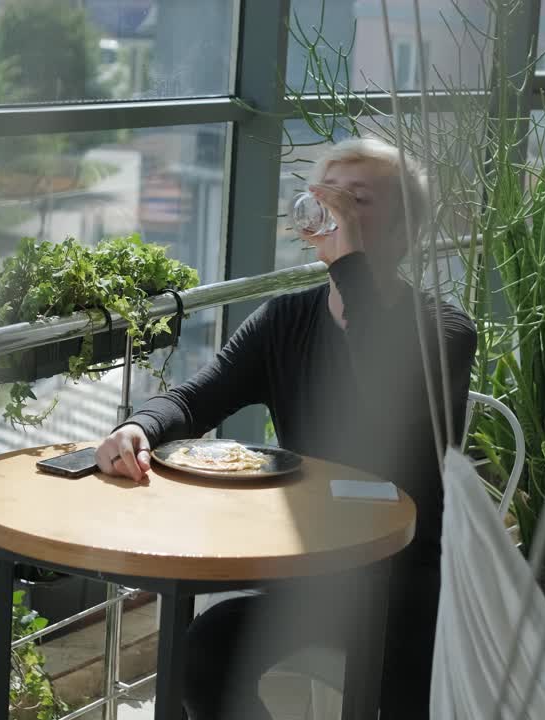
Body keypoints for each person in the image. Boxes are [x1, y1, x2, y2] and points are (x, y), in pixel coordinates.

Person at [95, 137, 477, 719]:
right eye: (330, 196)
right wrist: (140, 426)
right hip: (313, 575)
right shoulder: (286, 320)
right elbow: (201, 395)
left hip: (405, 575)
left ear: (404, 232)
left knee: (400, 698)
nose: (338, 210)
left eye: (359, 199)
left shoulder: (445, 330)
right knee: (201, 655)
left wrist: (348, 263)